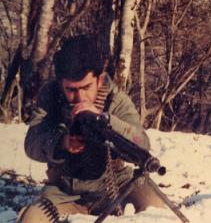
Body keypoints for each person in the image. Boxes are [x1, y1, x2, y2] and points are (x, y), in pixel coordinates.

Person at [17, 34, 165, 222]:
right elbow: (31, 145)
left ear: (100, 79)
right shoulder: (50, 97)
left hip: (116, 184)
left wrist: (107, 121)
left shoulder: (116, 101)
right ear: (61, 83)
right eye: (71, 90)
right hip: (65, 192)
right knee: (31, 219)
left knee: (156, 209)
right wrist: (61, 143)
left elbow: (142, 143)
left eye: (86, 87)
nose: (80, 98)